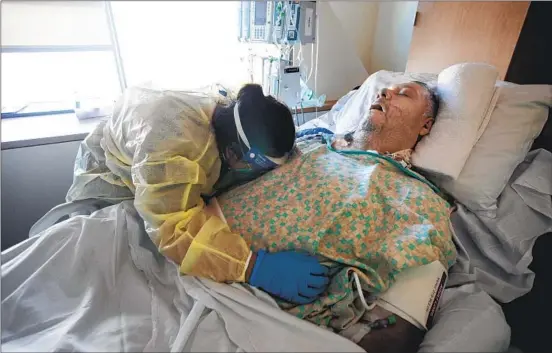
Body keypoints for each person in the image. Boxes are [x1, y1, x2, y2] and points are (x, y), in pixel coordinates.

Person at [216, 81, 455, 352]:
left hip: (247, 319)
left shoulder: (420, 202)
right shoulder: (305, 141)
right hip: (188, 251)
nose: (384, 92)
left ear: (425, 125)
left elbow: (395, 330)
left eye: (403, 94)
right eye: (385, 89)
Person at [66, 83, 329, 305]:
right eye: (264, 168)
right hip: (108, 174)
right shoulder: (172, 150)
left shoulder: (235, 115)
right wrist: (251, 266)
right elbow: (174, 230)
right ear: (233, 154)